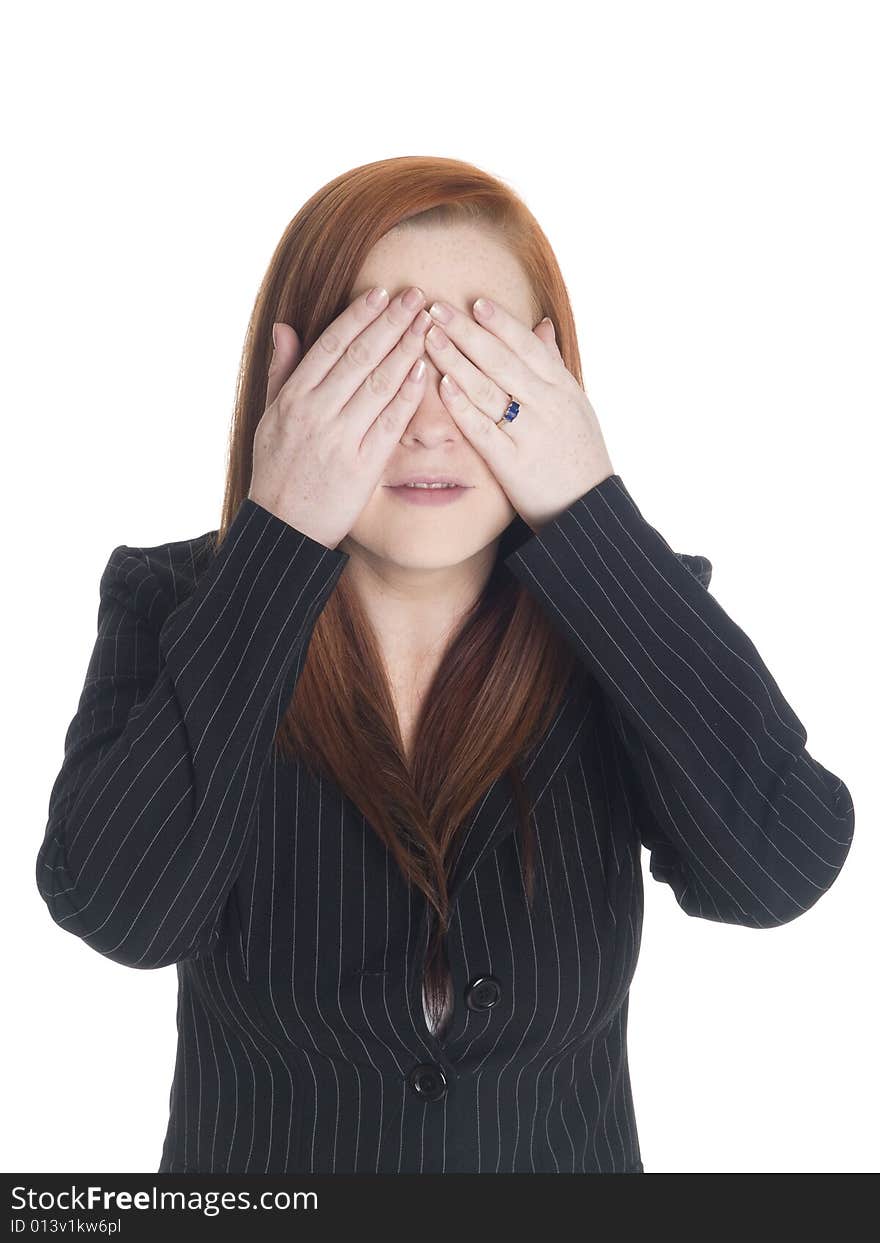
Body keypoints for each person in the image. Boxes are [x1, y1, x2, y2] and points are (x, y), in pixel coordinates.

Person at [35, 155, 855, 1175]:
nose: (428, 421)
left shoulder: (630, 614)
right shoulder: (173, 603)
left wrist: (586, 507)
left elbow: (776, 870)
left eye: (477, 363)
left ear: (551, 383)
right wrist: (281, 529)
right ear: (289, 382)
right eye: (377, 362)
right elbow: (123, 910)